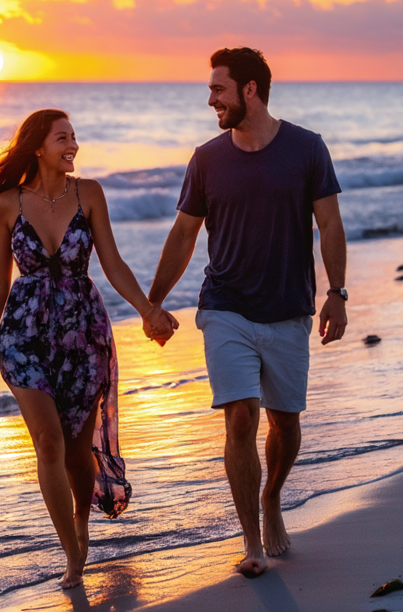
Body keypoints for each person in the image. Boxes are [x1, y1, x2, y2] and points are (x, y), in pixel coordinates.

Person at [146, 47, 347, 578]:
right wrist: (154, 301)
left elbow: (329, 224)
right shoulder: (207, 158)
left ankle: (272, 497)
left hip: (287, 308)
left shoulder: (307, 149)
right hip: (225, 306)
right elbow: (185, 234)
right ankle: (251, 540)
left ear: (250, 90)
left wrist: (338, 293)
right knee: (240, 417)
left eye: (218, 89)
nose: (210, 98)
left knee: (285, 422)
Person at [0, 109, 178, 590]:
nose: (74, 146)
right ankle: (72, 554)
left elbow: (114, 263)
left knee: (79, 456)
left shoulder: (90, 194)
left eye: (75, 138)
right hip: (23, 334)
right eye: (63, 137)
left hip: (84, 335)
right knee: (47, 442)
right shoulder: (6, 203)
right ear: (38, 146)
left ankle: (82, 521)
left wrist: (148, 309)